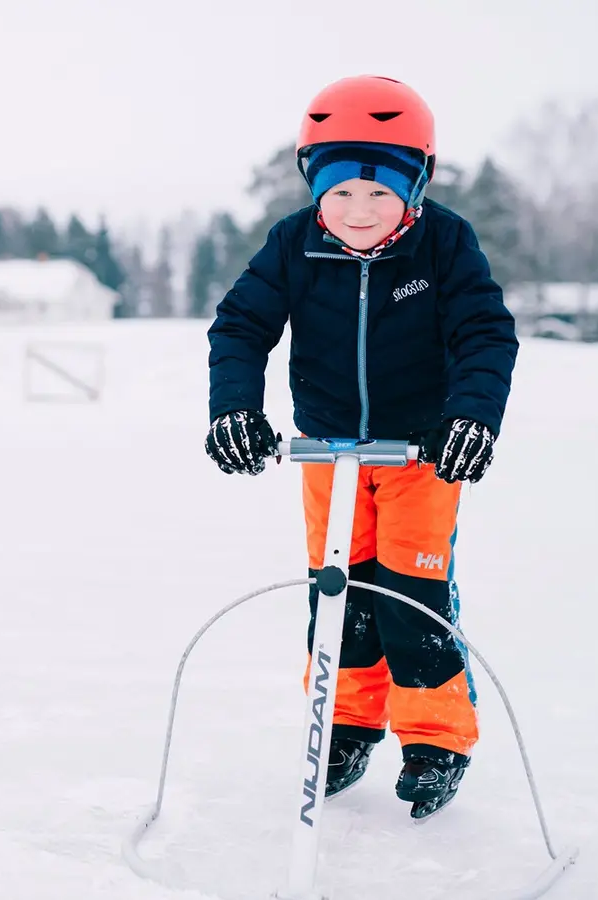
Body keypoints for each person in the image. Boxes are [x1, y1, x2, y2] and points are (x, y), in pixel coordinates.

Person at [205, 75, 519, 819]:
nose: (359, 213)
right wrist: (234, 409)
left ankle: (437, 740)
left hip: (419, 453)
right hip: (328, 449)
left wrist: (471, 416)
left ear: (417, 186)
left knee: (412, 593)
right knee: (335, 594)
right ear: (314, 186)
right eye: (341, 193)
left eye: (381, 195)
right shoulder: (293, 242)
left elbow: (484, 333)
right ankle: (346, 725)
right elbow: (240, 328)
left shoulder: (444, 242)